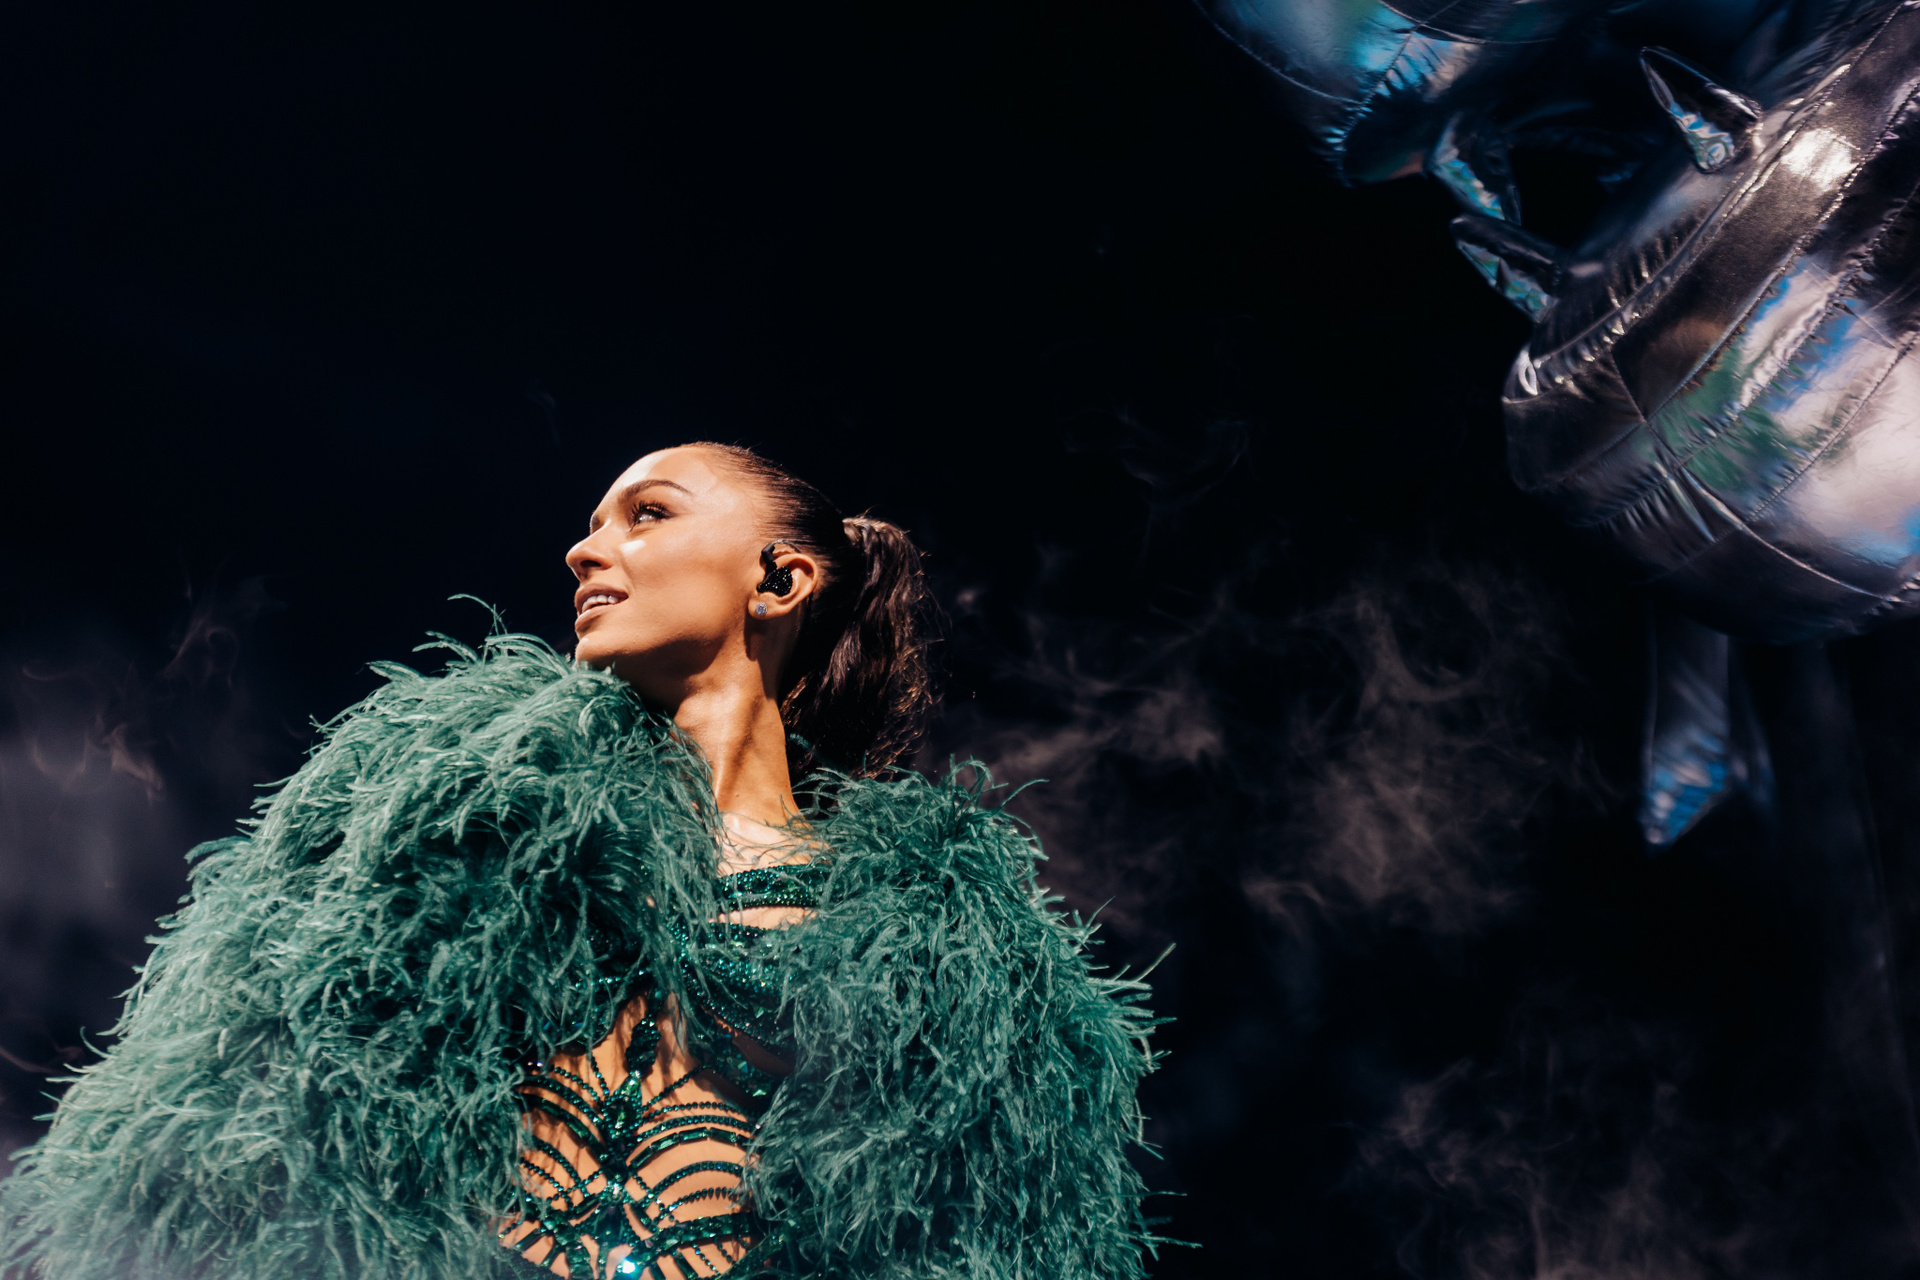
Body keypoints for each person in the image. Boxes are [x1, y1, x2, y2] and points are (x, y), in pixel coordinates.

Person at [0, 444, 1160, 1280]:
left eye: (647, 512)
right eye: (595, 521)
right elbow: (250, 1124)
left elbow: (962, 1225)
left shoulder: (935, 941)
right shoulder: (452, 817)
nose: (584, 547)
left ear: (779, 578)